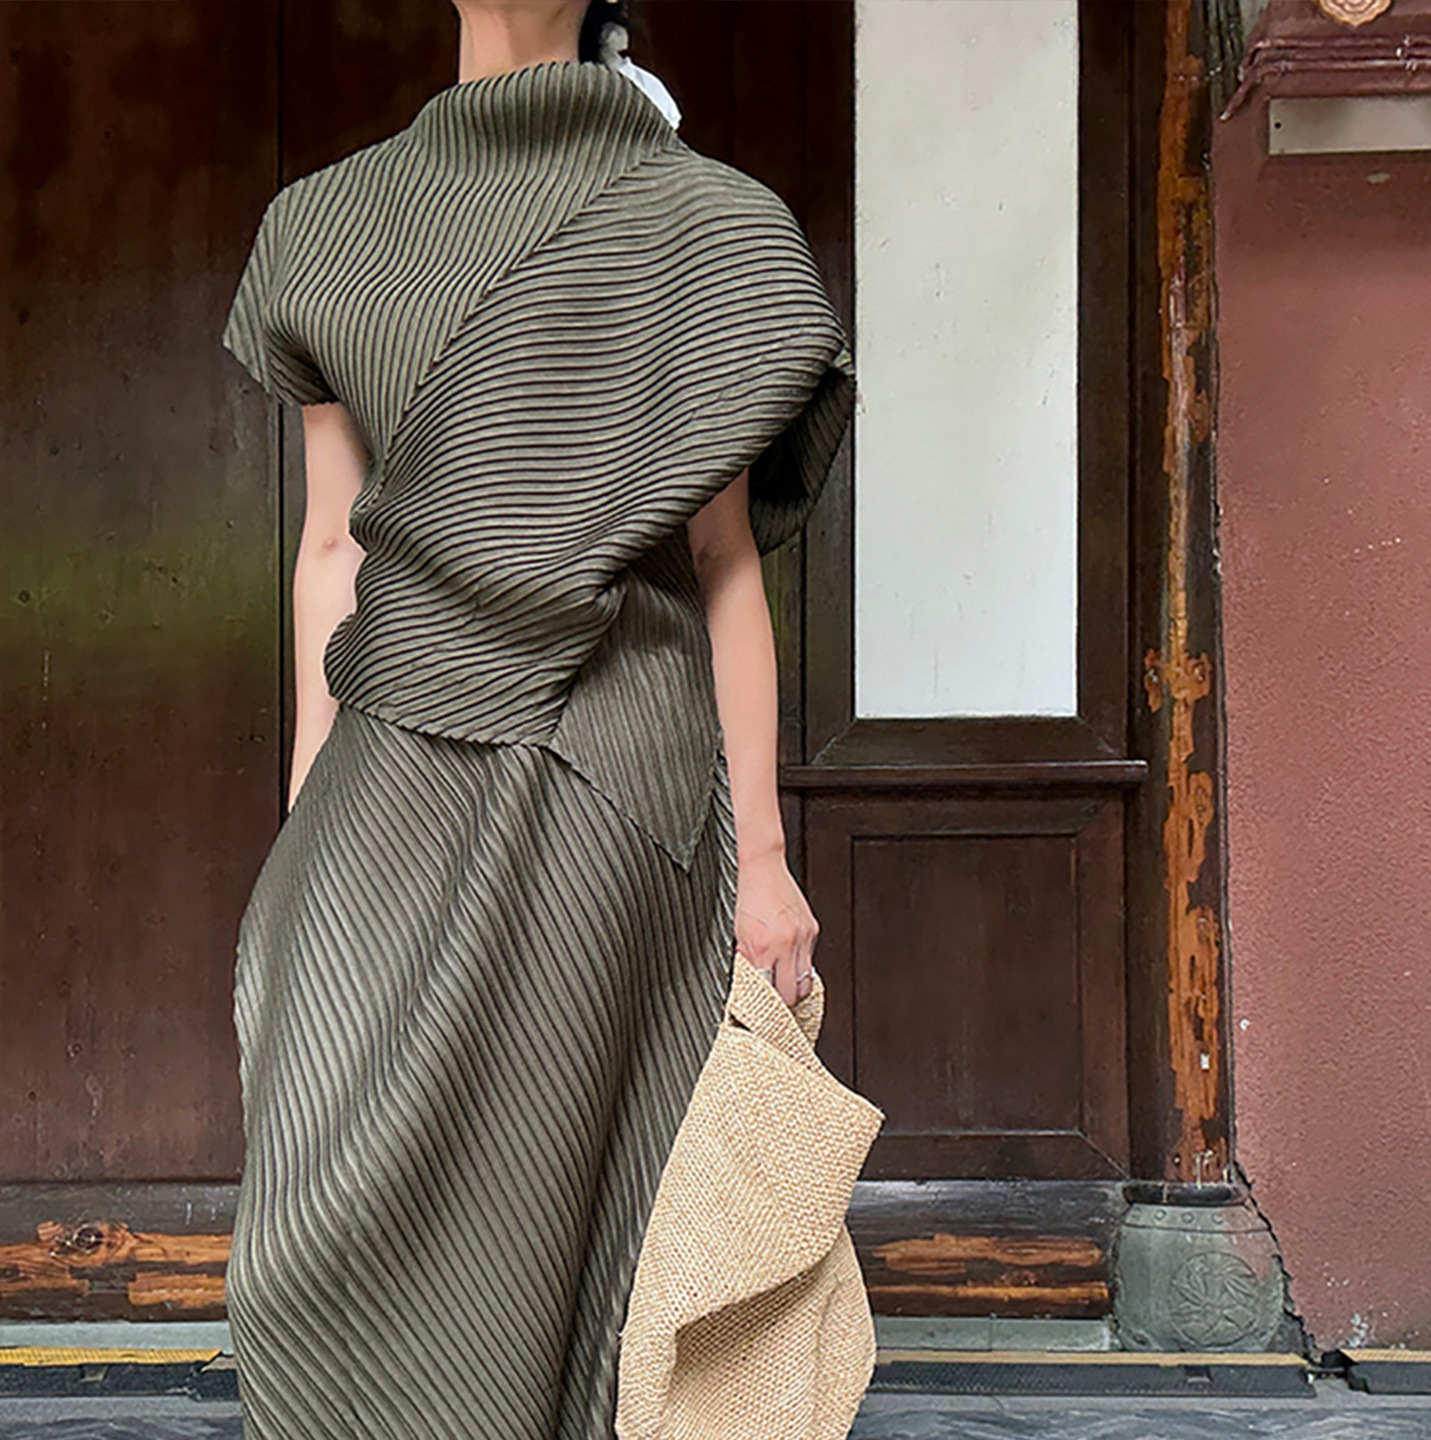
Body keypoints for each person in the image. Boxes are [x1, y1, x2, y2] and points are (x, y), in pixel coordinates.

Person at [218, 0, 857, 1435]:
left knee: (567, 1236)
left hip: (607, 781)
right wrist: (307, 816)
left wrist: (762, 862)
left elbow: (722, 562)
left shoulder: (711, 227)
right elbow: (332, 546)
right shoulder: (321, 225)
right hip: (387, 767)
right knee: (309, 1240)